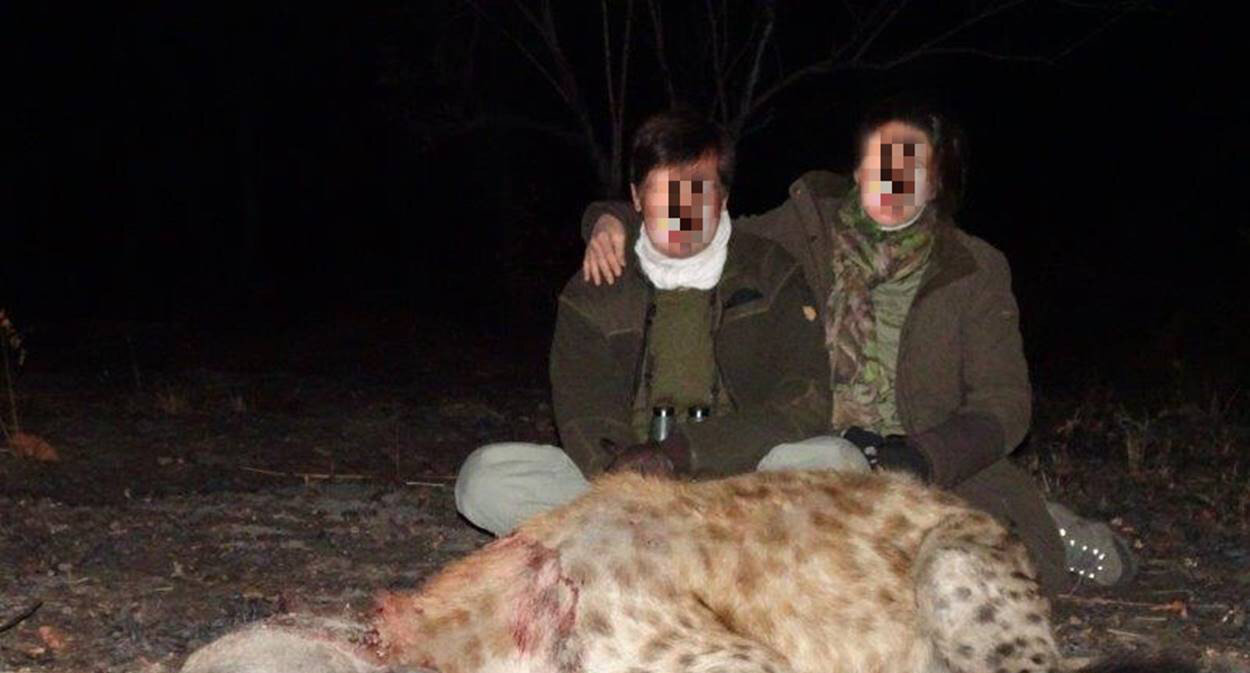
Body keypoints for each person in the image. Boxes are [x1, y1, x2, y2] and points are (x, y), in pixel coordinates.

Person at [580, 97, 1134, 595]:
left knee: (962, 584)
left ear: (937, 182)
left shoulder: (974, 269)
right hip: (813, 448)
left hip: (929, 461)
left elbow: (1004, 406)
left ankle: (1046, 528)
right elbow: (699, 223)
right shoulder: (804, 230)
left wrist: (921, 455)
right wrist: (610, 221)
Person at [455, 109, 847, 537]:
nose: (683, 211)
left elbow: (804, 400)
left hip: (743, 487)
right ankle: (670, 552)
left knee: (836, 462)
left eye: (699, 191)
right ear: (637, 199)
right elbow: (583, 412)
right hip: (625, 494)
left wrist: (683, 452)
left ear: (724, 198)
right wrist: (622, 476)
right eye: (665, 193)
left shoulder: (772, 270)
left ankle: (641, 557)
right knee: (485, 477)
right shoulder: (596, 287)